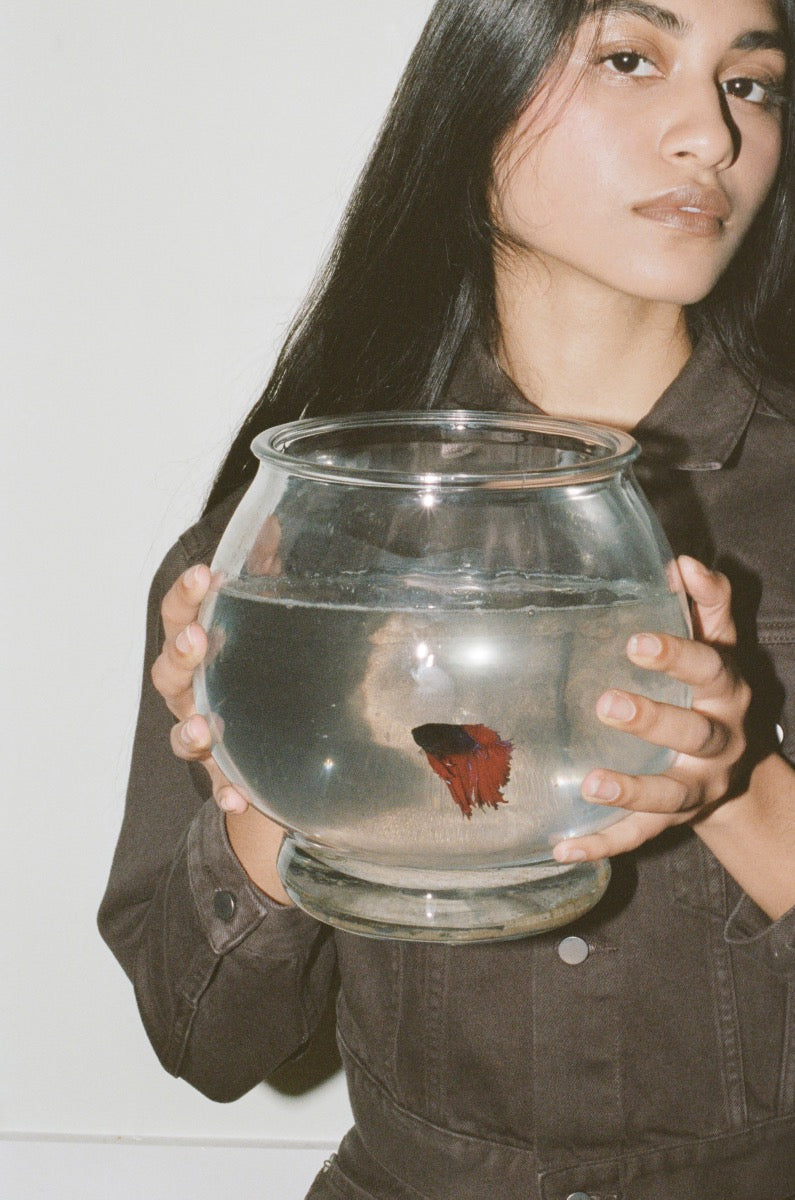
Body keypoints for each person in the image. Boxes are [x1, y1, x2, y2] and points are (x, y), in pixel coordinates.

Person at [98, 1, 795, 1195]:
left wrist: (729, 777)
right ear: (475, 98)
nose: (712, 137)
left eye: (754, 86)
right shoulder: (284, 552)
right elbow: (207, 1040)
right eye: (632, 60)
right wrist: (275, 767)